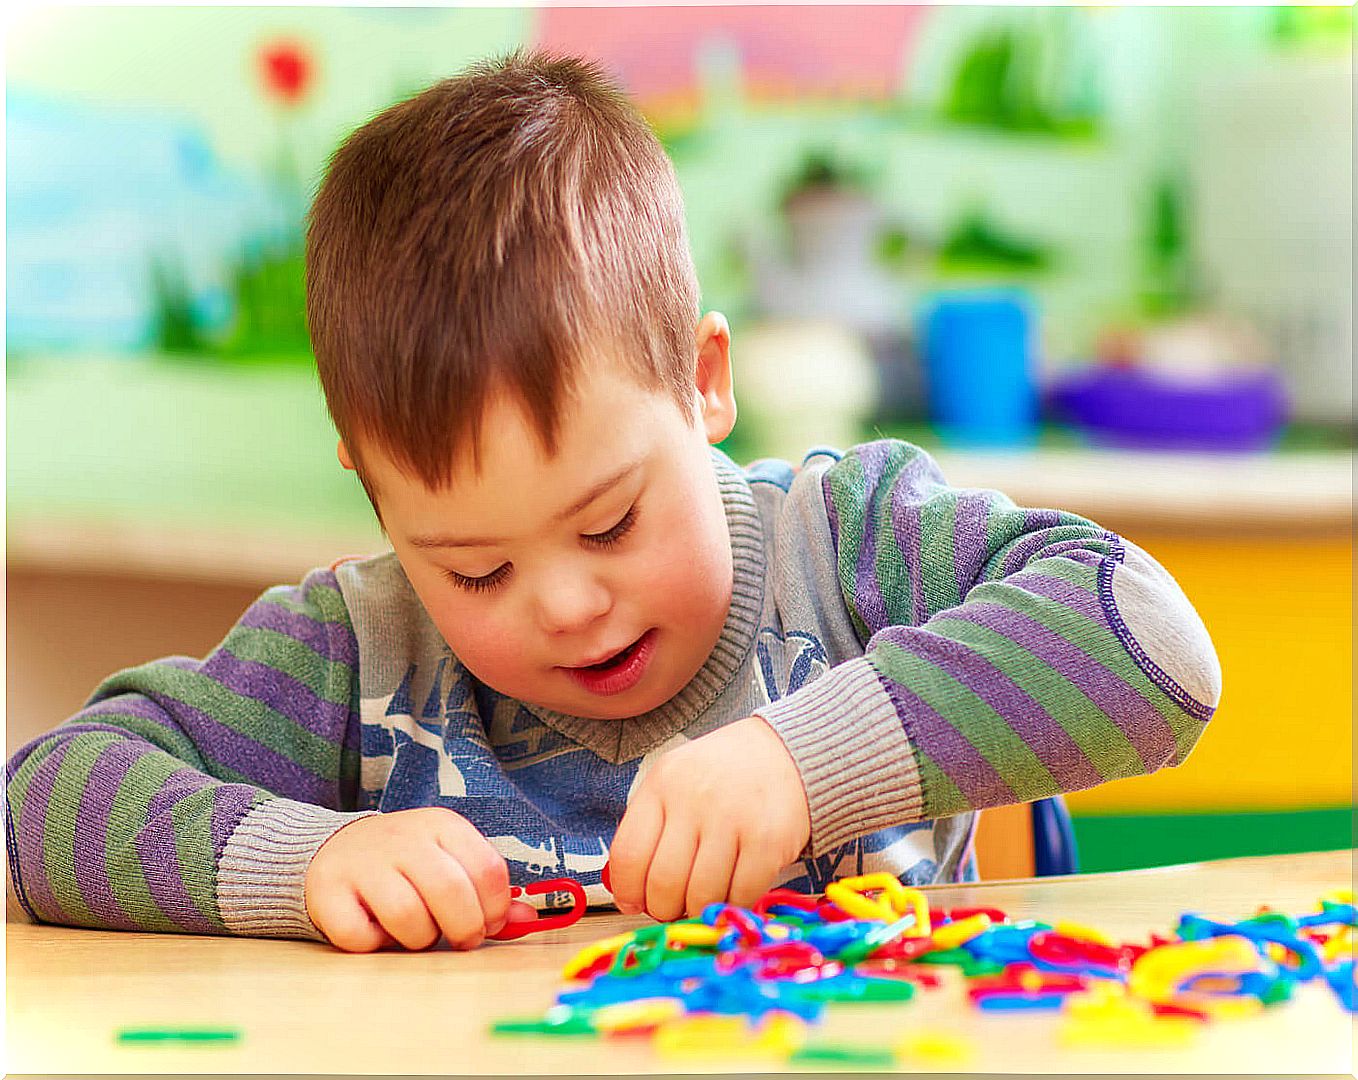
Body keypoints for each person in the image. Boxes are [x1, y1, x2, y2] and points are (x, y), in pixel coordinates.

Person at [5, 51, 1221, 954]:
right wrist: (309, 857)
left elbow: (1154, 647)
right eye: (474, 571)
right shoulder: (354, 651)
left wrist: (802, 762)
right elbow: (44, 805)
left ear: (703, 382)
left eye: (609, 524)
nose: (570, 605)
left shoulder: (846, 543)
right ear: (379, 502)